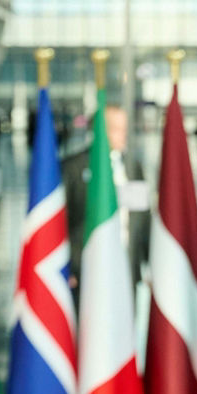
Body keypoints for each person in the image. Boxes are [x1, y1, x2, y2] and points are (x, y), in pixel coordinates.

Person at [62, 105, 150, 293]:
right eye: (117, 129)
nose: (124, 135)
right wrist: (68, 268)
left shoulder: (133, 168)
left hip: (127, 271)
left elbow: (142, 219)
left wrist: (150, 265)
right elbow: (62, 223)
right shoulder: (73, 168)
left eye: (126, 129)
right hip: (86, 273)